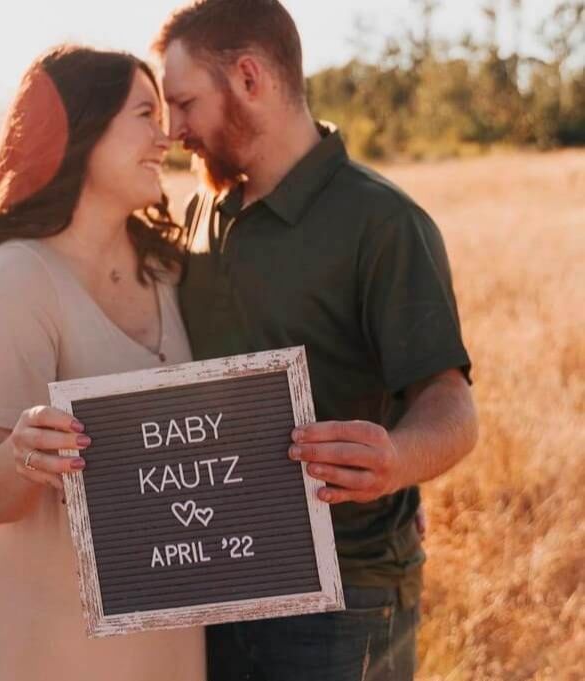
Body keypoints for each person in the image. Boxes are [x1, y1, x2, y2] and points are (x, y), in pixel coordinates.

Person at [154, 1, 479, 679]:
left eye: (184, 103)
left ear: (249, 78)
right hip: (212, 580)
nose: (174, 128)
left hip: (343, 598)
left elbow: (451, 405)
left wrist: (396, 458)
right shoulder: (197, 212)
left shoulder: (383, 221)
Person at [0, 44, 205, 681]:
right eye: (144, 113)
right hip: (43, 654)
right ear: (81, 130)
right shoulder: (12, 282)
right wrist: (25, 452)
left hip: (161, 646)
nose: (166, 137)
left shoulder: (165, 271)